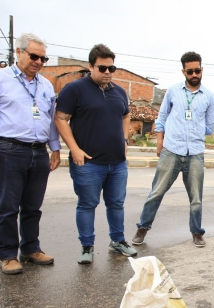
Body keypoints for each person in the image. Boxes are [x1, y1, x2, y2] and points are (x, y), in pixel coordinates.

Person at [0, 33, 60, 275]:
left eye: (44, 58)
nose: (39, 62)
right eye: (34, 56)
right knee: (9, 206)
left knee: (33, 206)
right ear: (19, 52)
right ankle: (8, 254)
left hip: (39, 151)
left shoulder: (45, 85)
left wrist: (54, 147)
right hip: (10, 150)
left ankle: (31, 248)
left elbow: (50, 119)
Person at [55, 43, 136, 264]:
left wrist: (124, 139)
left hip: (117, 163)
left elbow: (126, 115)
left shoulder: (119, 91)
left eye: (112, 68)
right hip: (89, 163)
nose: (108, 72)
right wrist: (74, 149)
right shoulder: (75, 89)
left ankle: (117, 241)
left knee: (117, 204)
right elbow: (60, 118)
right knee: (87, 204)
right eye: (102, 68)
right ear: (91, 66)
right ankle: (87, 246)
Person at [132, 51, 214, 248]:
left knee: (196, 198)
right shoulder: (172, 91)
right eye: (190, 71)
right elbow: (161, 118)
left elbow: (209, 127)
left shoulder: (209, 97)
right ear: (183, 71)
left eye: (197, 70)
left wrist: (193, 128)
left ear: (201, 70)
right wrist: (160, 142)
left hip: (195, 152)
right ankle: (142, 228)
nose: (194, 74)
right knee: (156, 192)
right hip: (171, 150)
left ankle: (197, 232)